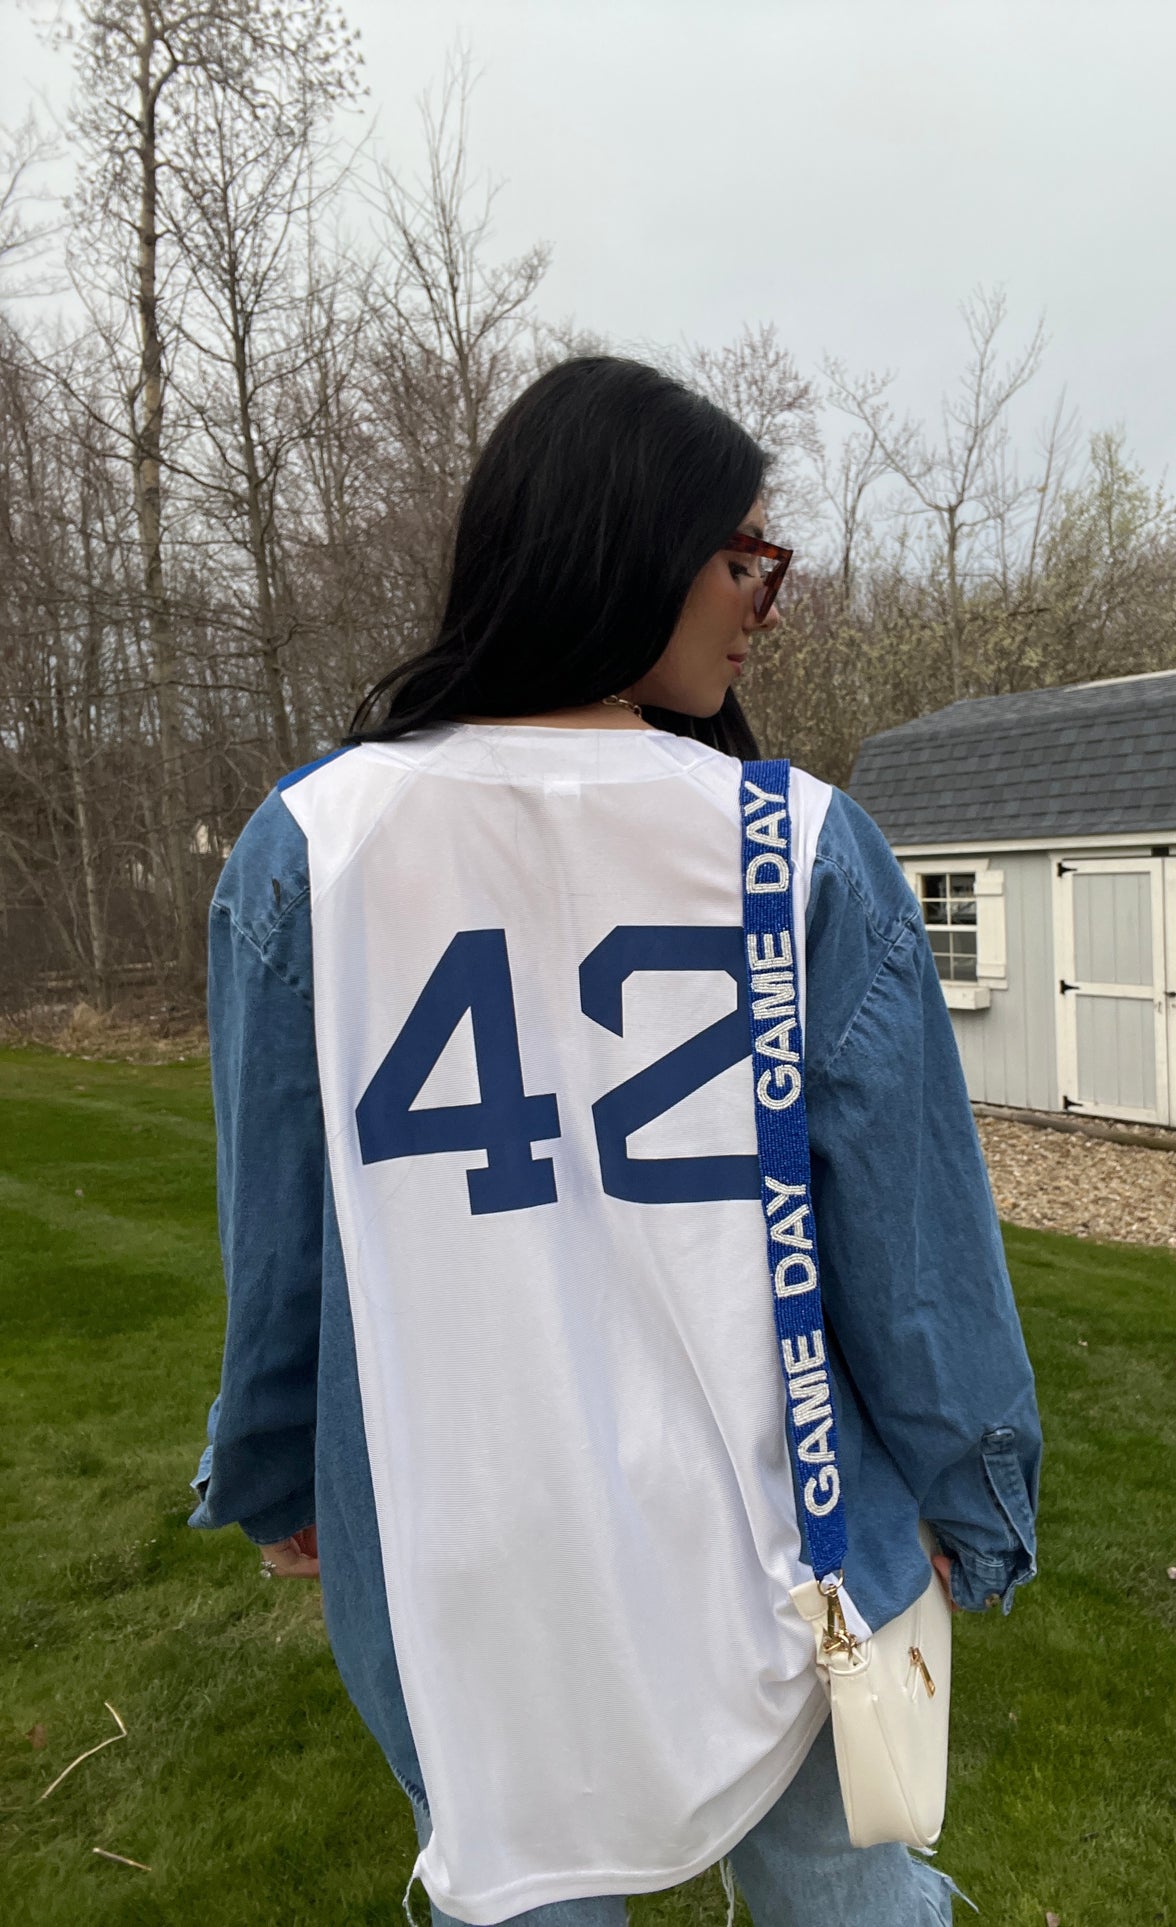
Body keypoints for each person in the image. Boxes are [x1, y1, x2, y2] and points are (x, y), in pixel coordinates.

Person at [188, 354, 1042, 1927]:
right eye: (745, 559)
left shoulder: (311, 847)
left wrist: (270, 1470)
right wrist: (973, 1497)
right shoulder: (794, 849)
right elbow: (910, 1251)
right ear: (632, 547)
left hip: (476, 1543)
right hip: (786, 1530)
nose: (763, 604)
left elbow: (284, 1238)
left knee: (524, 1894)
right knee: (847, 1900)